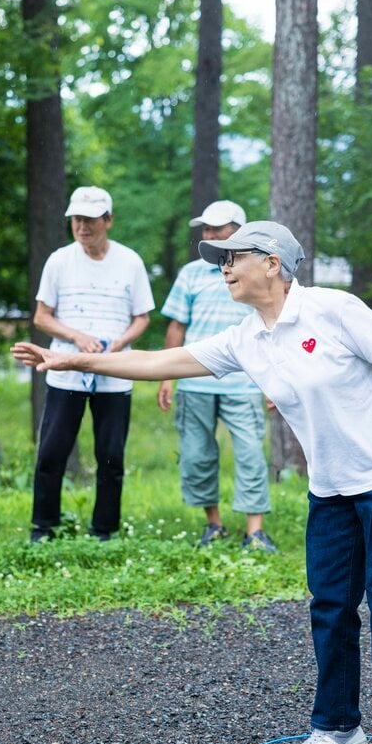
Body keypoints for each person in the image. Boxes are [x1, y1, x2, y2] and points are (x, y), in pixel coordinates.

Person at [12, 219, 372, 744]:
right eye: (220, 260)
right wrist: (73, 360)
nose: (224, 267)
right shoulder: (246, 338)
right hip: (331, 485)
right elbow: (159, 363)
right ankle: (338, 729)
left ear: (273, 264)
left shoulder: (334, 309)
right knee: (330, 604)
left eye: (234, 257)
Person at [29, 185, 155, 542]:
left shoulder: (130, 261)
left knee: (111, 455)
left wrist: (120, 342)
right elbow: (42, 317)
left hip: (115, 371)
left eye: (90, 220)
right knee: (52, 452)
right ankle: (43, 528)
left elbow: (143, 318)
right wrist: (76, 338)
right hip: (66, 370)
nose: (82, 227)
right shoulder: (59, 260)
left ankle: (104, 530)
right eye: (76, 220)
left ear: (109, 220)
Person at [158, 200, 275, 550]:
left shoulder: (257, 272)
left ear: (238, 230)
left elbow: (271, 326)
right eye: (205, 228)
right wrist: (167, 376)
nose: (207, 234)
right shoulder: (191, 273)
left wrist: (273, 380)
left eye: (216, 228)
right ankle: (214, 525)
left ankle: (254, 532)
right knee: (197, 455)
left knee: (251, 453)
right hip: (195, 382)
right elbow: (177, 326)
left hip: (245, 382)